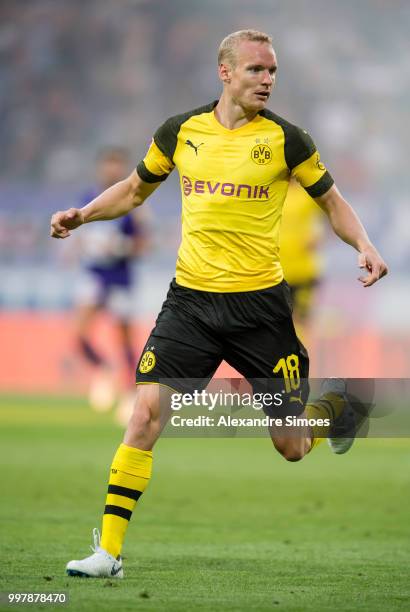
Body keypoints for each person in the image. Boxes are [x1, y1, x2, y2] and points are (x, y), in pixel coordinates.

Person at [50, 30, 387, 579]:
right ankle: (108, 554)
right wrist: (82, 214)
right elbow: (135, 190)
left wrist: (366, 245)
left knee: (292, 445)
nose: (268, 80)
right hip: (190, 307)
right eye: (257, 70)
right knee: (143, 417)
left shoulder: (286, 139)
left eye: (273, 71)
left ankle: (339, 411)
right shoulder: (181, 132)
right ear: (225, 73)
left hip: (261, 312)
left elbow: (332, 201)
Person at [72, 147, 150, 414]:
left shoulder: (132, 203)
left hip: (121, 277)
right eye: (108, 164)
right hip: (94, 273)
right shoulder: (89, 198)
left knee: (125, 339)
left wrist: (121, 247)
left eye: (117, 165)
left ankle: (130, 394)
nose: (112, 170)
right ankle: (104, 369)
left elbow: (143, 244)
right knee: (80, 335)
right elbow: (79, 235)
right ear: (100, 167)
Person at [280, 177, 325, 342]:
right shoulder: (270, 192)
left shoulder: (307, 193)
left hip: (303, 270)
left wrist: (316, 236)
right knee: (279, 320)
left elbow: (324, 217)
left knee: (302, 320)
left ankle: (301, 361)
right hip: (275, 270)